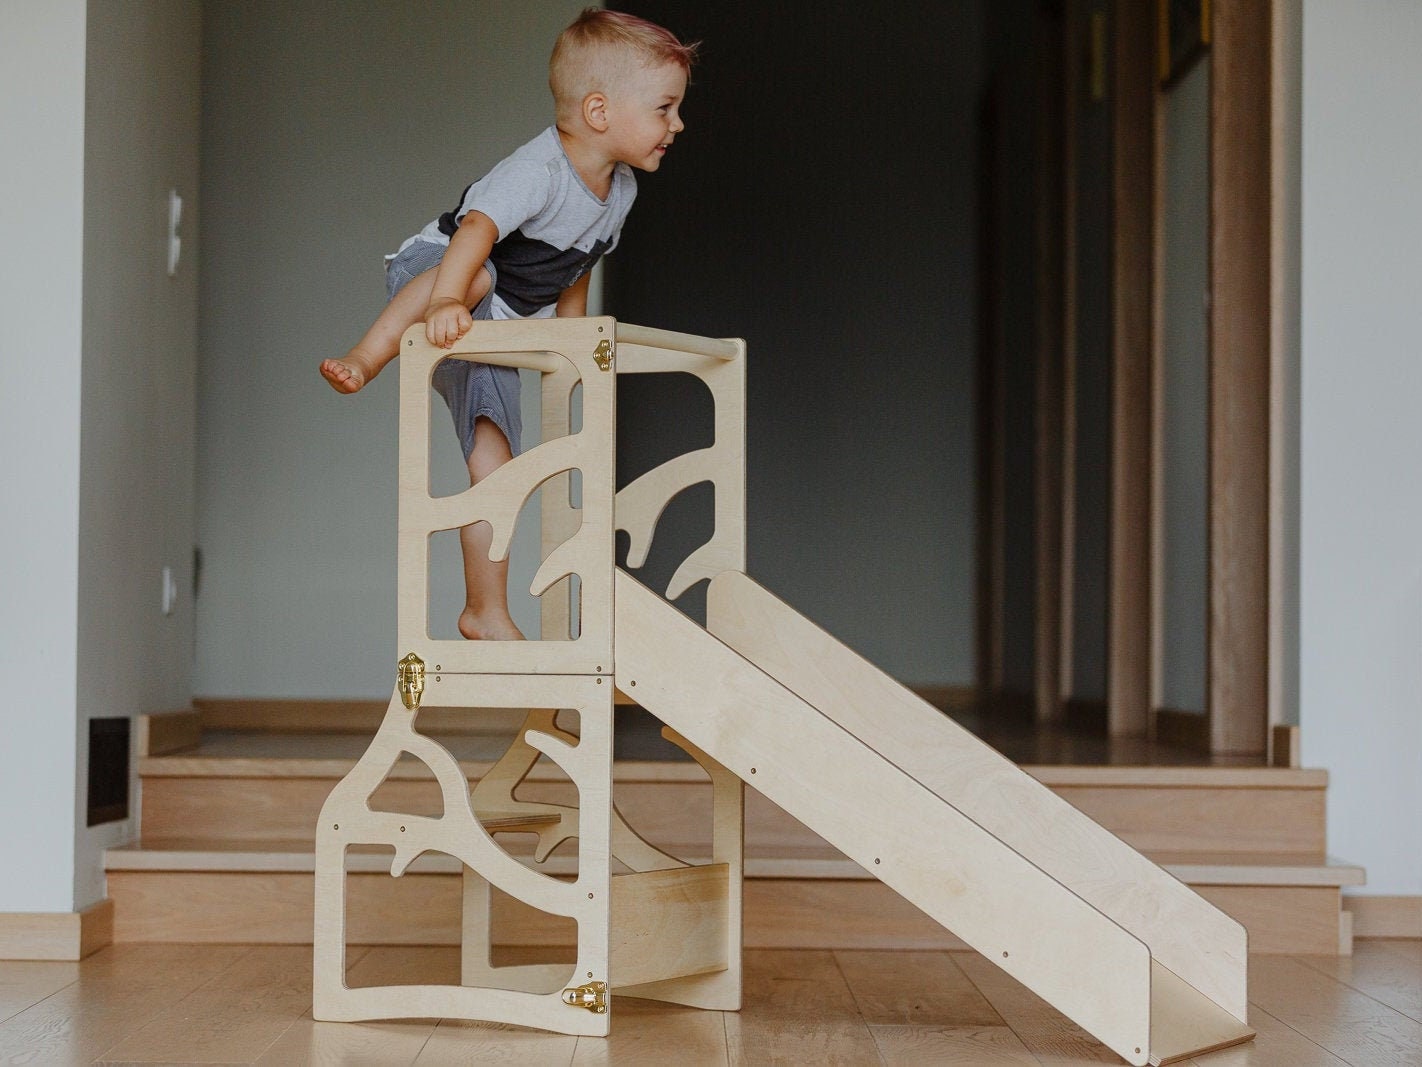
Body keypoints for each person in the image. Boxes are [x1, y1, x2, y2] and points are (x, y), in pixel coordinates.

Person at [320, 8, 696, 642]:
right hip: (438, 273)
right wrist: (446, 301)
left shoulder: (621, 190)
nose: (677, 124)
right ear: (600, 113)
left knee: (495, 466)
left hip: (491, 318)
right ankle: (370, 351)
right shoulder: (540, 169)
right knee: (483, 274)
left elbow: (579, 262)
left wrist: (572, 336)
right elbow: (477, 231)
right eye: (665, 108)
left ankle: (483, 610)